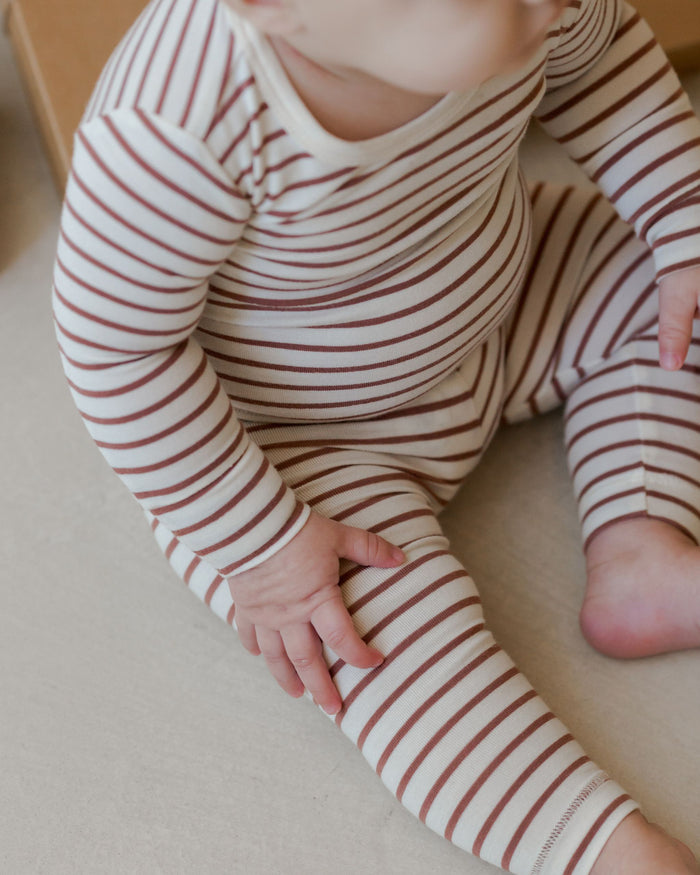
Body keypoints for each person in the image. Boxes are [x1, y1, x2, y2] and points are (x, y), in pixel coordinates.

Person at [51, 0, 700, 871]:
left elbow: (603, 67)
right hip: (295, 453)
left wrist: (679, 223)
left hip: (497, 309)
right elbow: (115, 350)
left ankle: (640, 541)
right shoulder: (179, 125)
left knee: (670, 287)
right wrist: (264, 544)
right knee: (370, 644)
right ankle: (596, 844)